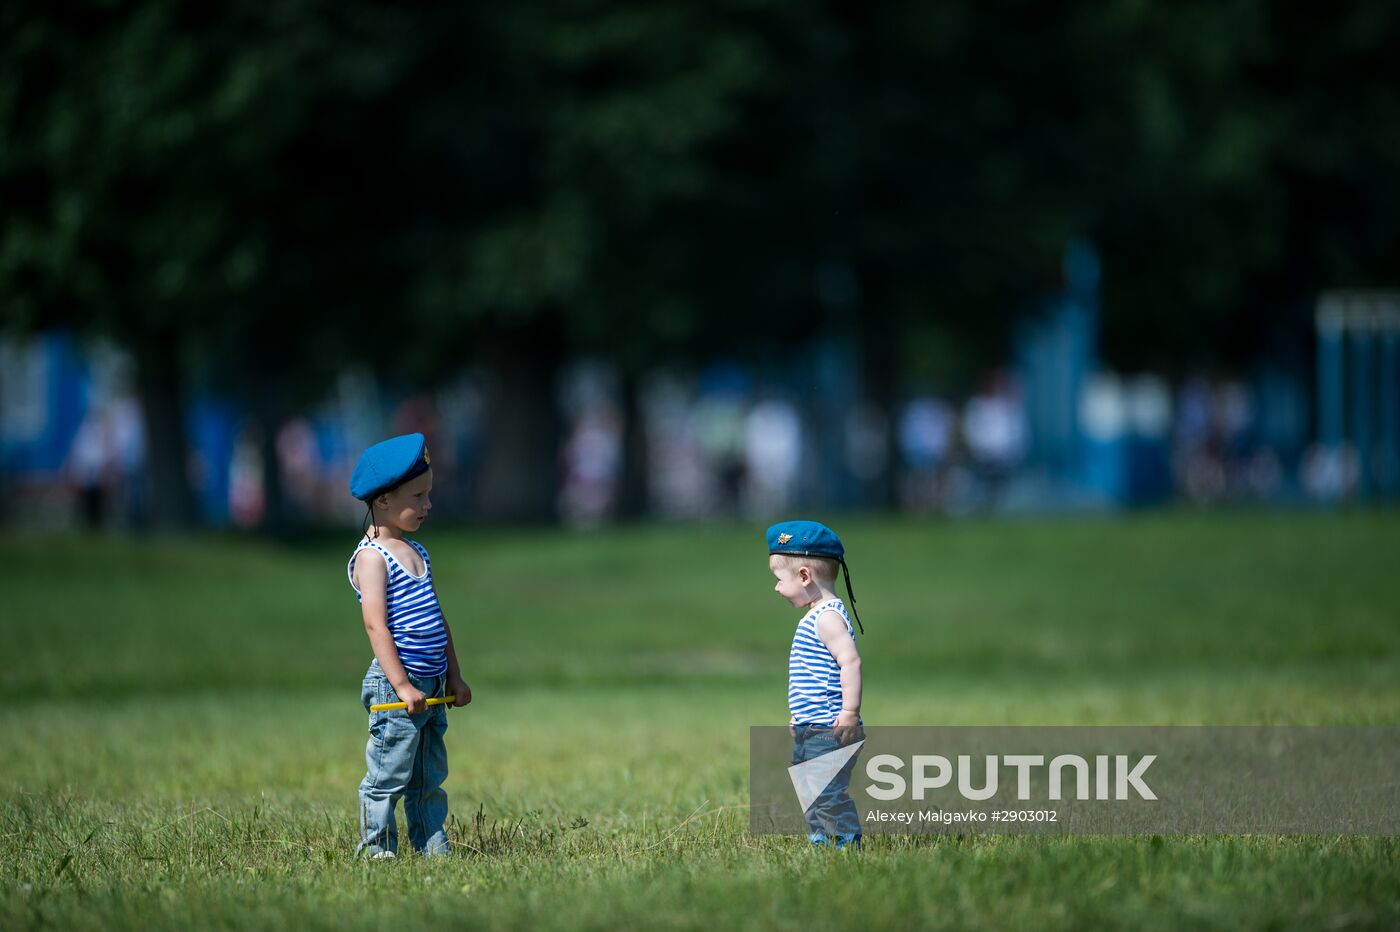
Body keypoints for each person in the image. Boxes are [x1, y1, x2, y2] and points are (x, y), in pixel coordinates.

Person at [347, 433, 472, 858]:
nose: (428, 505)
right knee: (387, 775)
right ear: (382, 500)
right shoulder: (372, 557)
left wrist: (454, 675)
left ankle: (430, 843)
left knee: (428, 774)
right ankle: (376, 849)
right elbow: (376, 627)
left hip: (431, 684)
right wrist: (401, 686)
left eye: (428, 495)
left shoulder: (417, 550)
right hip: (396, 686)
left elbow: (439, 620)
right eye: (418, 496)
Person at [766, 520, 865, 849]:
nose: (777, 589)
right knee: (809, 788)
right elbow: (811, 677)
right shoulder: (816, 615)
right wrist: (800, 716)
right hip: (814, 724)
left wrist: (849, 712)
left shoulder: (827, 617)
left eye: (780, 580)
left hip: (831, 727)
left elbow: (849, 662)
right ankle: (821, 842)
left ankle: (847, 845)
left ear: (805, 576)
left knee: (826, 791)